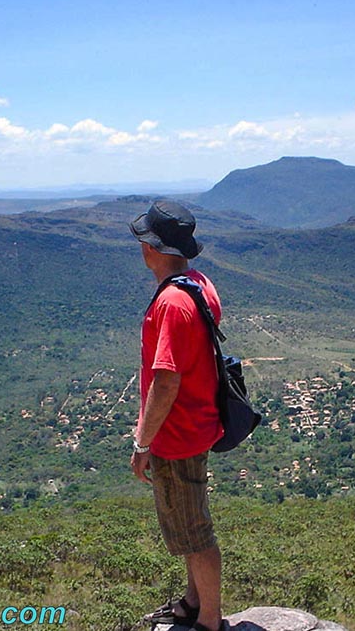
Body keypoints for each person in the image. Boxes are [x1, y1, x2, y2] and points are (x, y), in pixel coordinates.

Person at [129, 200, 227, 631]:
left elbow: (165, 381)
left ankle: (208, 620)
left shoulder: (171, 303)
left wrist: (142, 443)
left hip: (179, 434)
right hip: (198, 423)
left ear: (152, 248)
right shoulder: (198, 283)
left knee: (195, 530)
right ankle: (193, 601)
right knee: (187, 525)